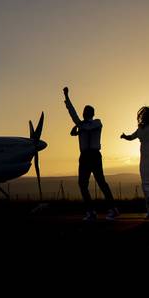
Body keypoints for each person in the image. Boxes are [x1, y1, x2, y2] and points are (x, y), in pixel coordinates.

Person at [63, 86, 117, 221]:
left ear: (91, 113)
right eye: (84, 111)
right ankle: (91, 211)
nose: (83, 113)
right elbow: (72, 112)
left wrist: (79, 127)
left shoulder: (97, 122)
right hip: (85, 157)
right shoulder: (82, 125)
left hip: (93, 155)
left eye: (86, 112)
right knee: (83, 184)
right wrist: (67, 97)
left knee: (101, 182)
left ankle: (113, 209)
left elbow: (81, 122)